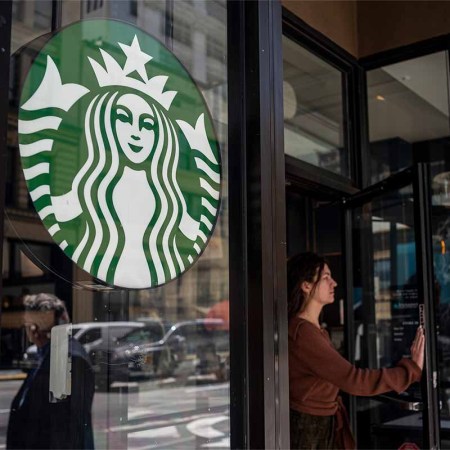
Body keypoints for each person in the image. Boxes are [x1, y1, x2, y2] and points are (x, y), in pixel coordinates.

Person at [288, 253, 425, 450]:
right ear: (306, 285)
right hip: (309, 433)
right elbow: (354, 379)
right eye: (326, 277)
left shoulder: (313, 331)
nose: (334, 283)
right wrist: (409, 371)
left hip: (317, 429)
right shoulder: (304, 334)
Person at [6, 293, 95, 449]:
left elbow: (61, 428)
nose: (29, 329)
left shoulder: (66, 358)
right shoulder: (50, 354)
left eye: (29, 323)